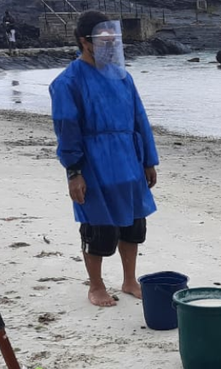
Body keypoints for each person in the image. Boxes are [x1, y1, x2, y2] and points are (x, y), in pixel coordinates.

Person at [49, 11, 159, 308]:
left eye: (114, 41)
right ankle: (95, 285)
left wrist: (149, 160)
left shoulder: (123, 77)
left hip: (129, 159)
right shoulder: (68, 82)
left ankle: (129, 280)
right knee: (97, 225)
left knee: (134, 223)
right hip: (94, 162)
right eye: (104, 41)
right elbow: (66, 128)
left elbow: (140, 119)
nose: (111, 46)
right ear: (86, 42)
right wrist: (74, 171)